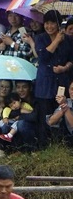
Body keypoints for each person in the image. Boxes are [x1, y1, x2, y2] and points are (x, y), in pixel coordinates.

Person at [34, 10, 73, 149]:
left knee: (62, 112)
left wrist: (65, 68)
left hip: (62, 81)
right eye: (46, 23)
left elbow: (71, 59)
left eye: (52, 23)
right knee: (45, 114)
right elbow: (43, 57)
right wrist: (56, 41)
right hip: (45, 83)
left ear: (58, 24)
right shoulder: (40, 38)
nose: (49, 26)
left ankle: (62, 145)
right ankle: (44, 146)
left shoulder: (68, 39)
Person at [48, 80, 73, 146]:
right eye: (72, 89)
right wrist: (62, 109)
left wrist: (66, 109)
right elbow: (51, 122)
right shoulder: (66, 101)